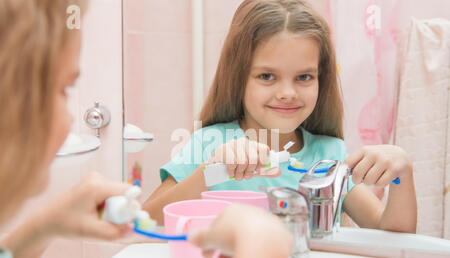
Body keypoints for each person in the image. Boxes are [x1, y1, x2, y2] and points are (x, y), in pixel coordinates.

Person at [0, 0, 292, 258]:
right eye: (62, 90)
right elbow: (152, 218)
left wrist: (45, 225)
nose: (71, 118)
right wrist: (263, 247)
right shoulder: (210, 139)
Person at [143, 0, 417, 233]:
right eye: (267, 76)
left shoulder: (329, 155)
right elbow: (145, 224)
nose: (288, 93)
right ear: (238, 79)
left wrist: (402, 173)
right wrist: (211, 171)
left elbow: (393, 240)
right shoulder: (209, 144)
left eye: (304, 77)